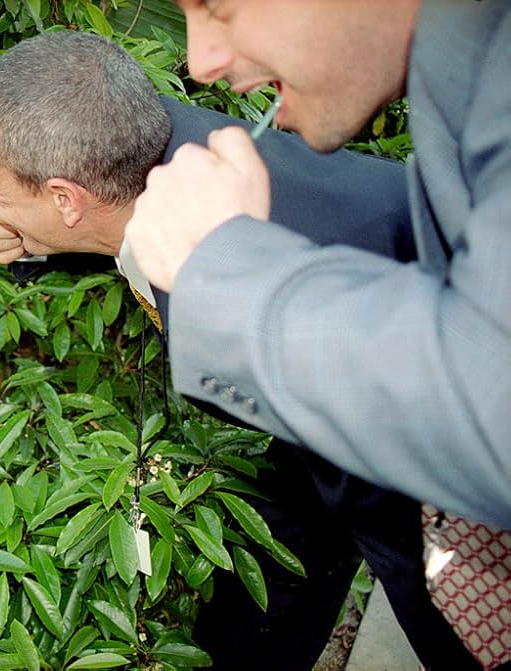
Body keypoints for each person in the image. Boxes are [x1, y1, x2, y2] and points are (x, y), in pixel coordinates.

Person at [0, 30, 479, 669]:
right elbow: (101, 227)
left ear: (67, 197)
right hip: (313, 423)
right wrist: (32, 243)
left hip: (414, 442)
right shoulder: (140, 143)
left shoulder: (251, 273)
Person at [126, 3, 511, 536]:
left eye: (219, 7)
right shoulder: (465, 72)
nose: (201, 62)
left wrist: (230, 271)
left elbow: (494, 406)